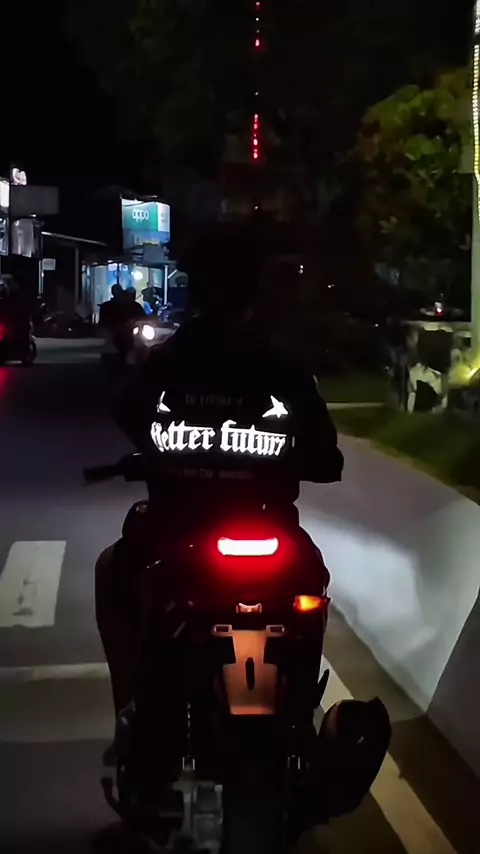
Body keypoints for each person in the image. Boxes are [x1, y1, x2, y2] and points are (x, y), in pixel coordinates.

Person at [95, 224, 344, 761]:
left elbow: (129, 413)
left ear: (196, 287)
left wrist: (160, 451)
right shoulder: (281, 366)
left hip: (176, 528)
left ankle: (129, 717)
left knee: (113, 571)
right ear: (254, 289)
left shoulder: (170, 359)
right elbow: (327, 456)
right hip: (269, 528)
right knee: (311, 584)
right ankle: (300, 712)